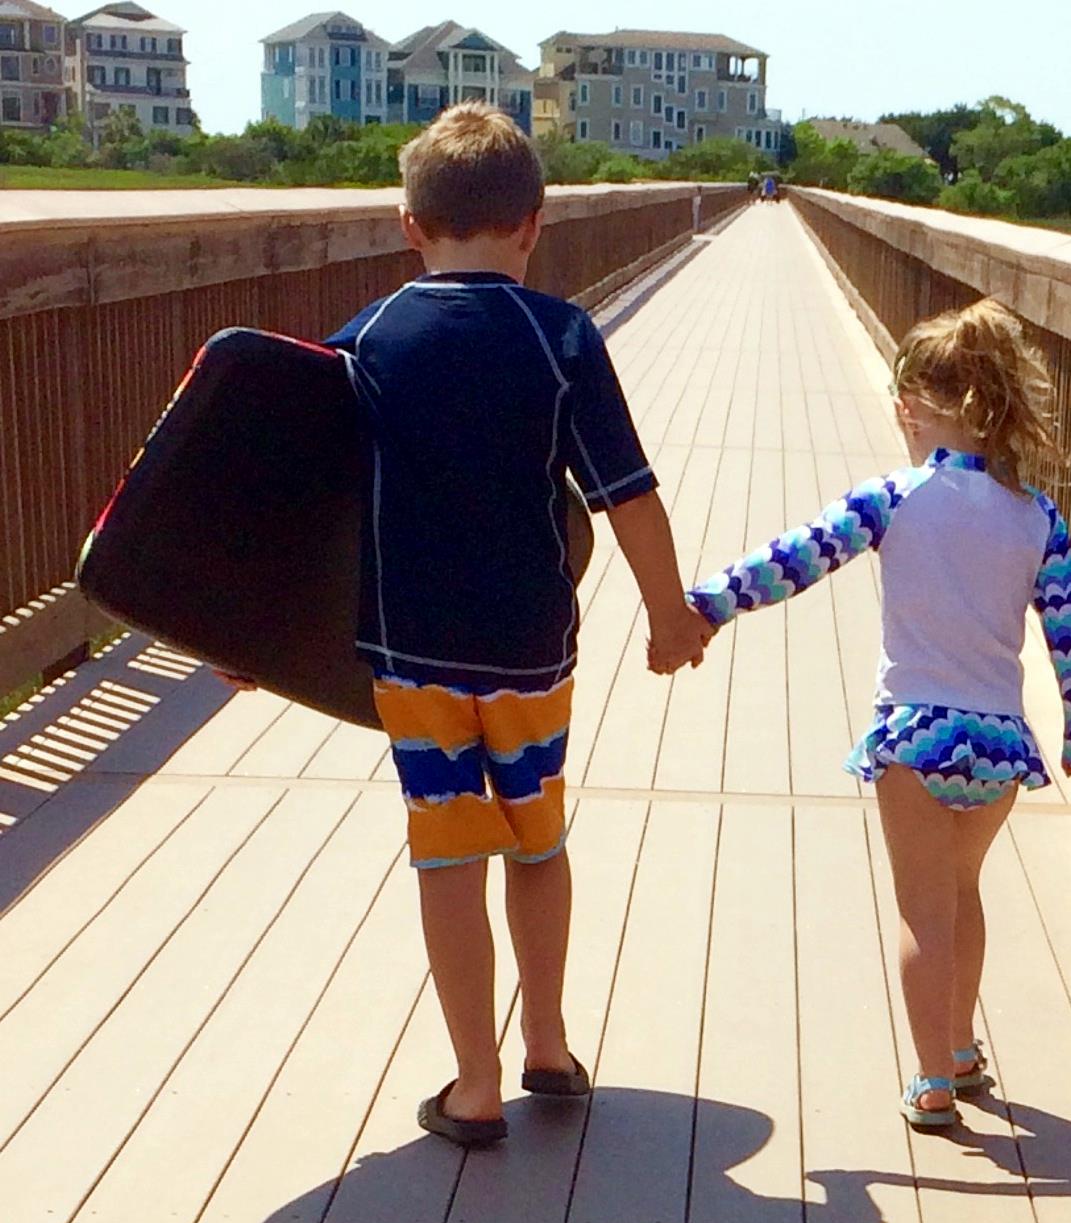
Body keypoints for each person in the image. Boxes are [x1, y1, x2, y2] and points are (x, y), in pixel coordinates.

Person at [227, 102, 710, 1148]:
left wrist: (248, 635)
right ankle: (549, 1044)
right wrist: (668, 615)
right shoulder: (562, 336)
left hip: (413, 654)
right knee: (536, 841)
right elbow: (626, 494)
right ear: (533, 223)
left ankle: (476, 1084)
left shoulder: (369, 338)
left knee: (449, 855)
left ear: (410, 226)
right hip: (532, 650)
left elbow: (299, 497)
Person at [677, 299, 1071, 1130]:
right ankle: (962, 1045)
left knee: (922, 908)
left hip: (916, 734)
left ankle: (932, 1079)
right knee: (962, 890)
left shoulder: (895, 496)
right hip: (998, 743)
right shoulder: (1037, 517)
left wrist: (709, 605)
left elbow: (798, 556)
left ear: (910, 409)